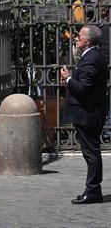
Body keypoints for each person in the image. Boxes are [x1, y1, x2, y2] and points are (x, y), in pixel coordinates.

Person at [60, 25, 109, 205]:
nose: (76, 38)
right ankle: (93, 189)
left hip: (88, 114)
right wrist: (72, 78)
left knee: (91, 153)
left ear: (87, 40)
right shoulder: (92, 57)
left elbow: (83, 89)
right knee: (90, 152)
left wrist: (68, 78)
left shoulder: (91, 59)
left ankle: (93, 190)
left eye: (79, 36)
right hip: (90, 112)